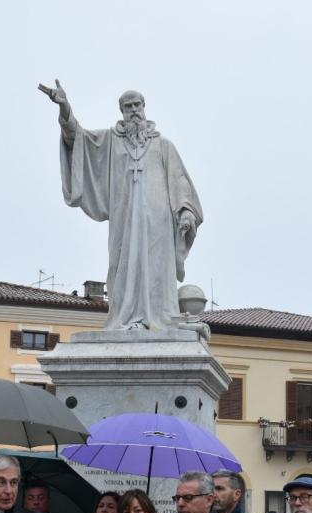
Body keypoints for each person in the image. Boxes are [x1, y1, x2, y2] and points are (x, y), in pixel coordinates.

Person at [39, 81, 203, 331]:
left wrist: (186, 211)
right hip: (124, 219)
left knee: (156, 270)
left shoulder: (163, 145)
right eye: (128, 106)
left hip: (158, 223)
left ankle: (158, 319)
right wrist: (65, 108)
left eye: (137, 105)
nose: (134, 110)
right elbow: (77, 138)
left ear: (145, 107)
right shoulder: (110, 140)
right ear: (122, 111)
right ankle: (125, 318)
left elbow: (180, 181)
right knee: (122, 266)